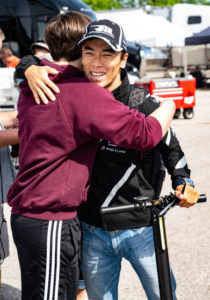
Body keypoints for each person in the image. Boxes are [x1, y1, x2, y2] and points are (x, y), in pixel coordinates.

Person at [20, 18, 199, 300]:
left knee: (165, 296)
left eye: (108, 53)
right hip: (92, 231)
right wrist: (27, 66)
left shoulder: (144, 102)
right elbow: (48, 57)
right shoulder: (72, 95)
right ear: (80, 55)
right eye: (90, 52)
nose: (97, 62)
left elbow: (172, 150)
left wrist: (183, 181)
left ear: (124, 58)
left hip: (141, 228)